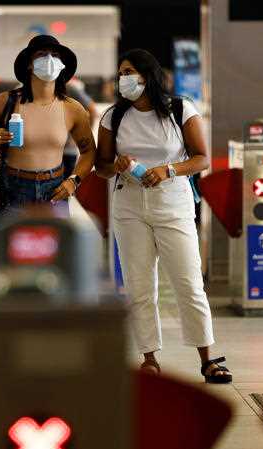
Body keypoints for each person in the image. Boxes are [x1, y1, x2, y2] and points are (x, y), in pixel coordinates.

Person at [94, 48, 232, 383]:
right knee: (140, 287)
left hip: (173, 203)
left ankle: (208, 358)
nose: (122, 79)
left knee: (188, 283)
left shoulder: (180, 108)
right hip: (128, 207)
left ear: (146, 75)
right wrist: (119, 166)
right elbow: (101, 167)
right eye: (121, 73)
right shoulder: (113, 117)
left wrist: (168, 169)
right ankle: (149, 358)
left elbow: (201, 158)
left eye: (129, 72)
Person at [0, 35, 96, 234]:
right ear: (29, 65)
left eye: (54, 55)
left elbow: (88, 152)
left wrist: (73, 181)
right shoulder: (4, 102)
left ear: (62, 65)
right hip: (13, 189)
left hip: (55, 190)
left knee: (57, 260)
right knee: (8, 260)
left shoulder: (72, 109)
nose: (50, 60)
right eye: (42, 55)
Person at [63, 76, 98, 178]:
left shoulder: (70, 88)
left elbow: (92, 109)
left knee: (65, 188)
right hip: (48, 152)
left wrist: (85, 133)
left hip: (67, 150)